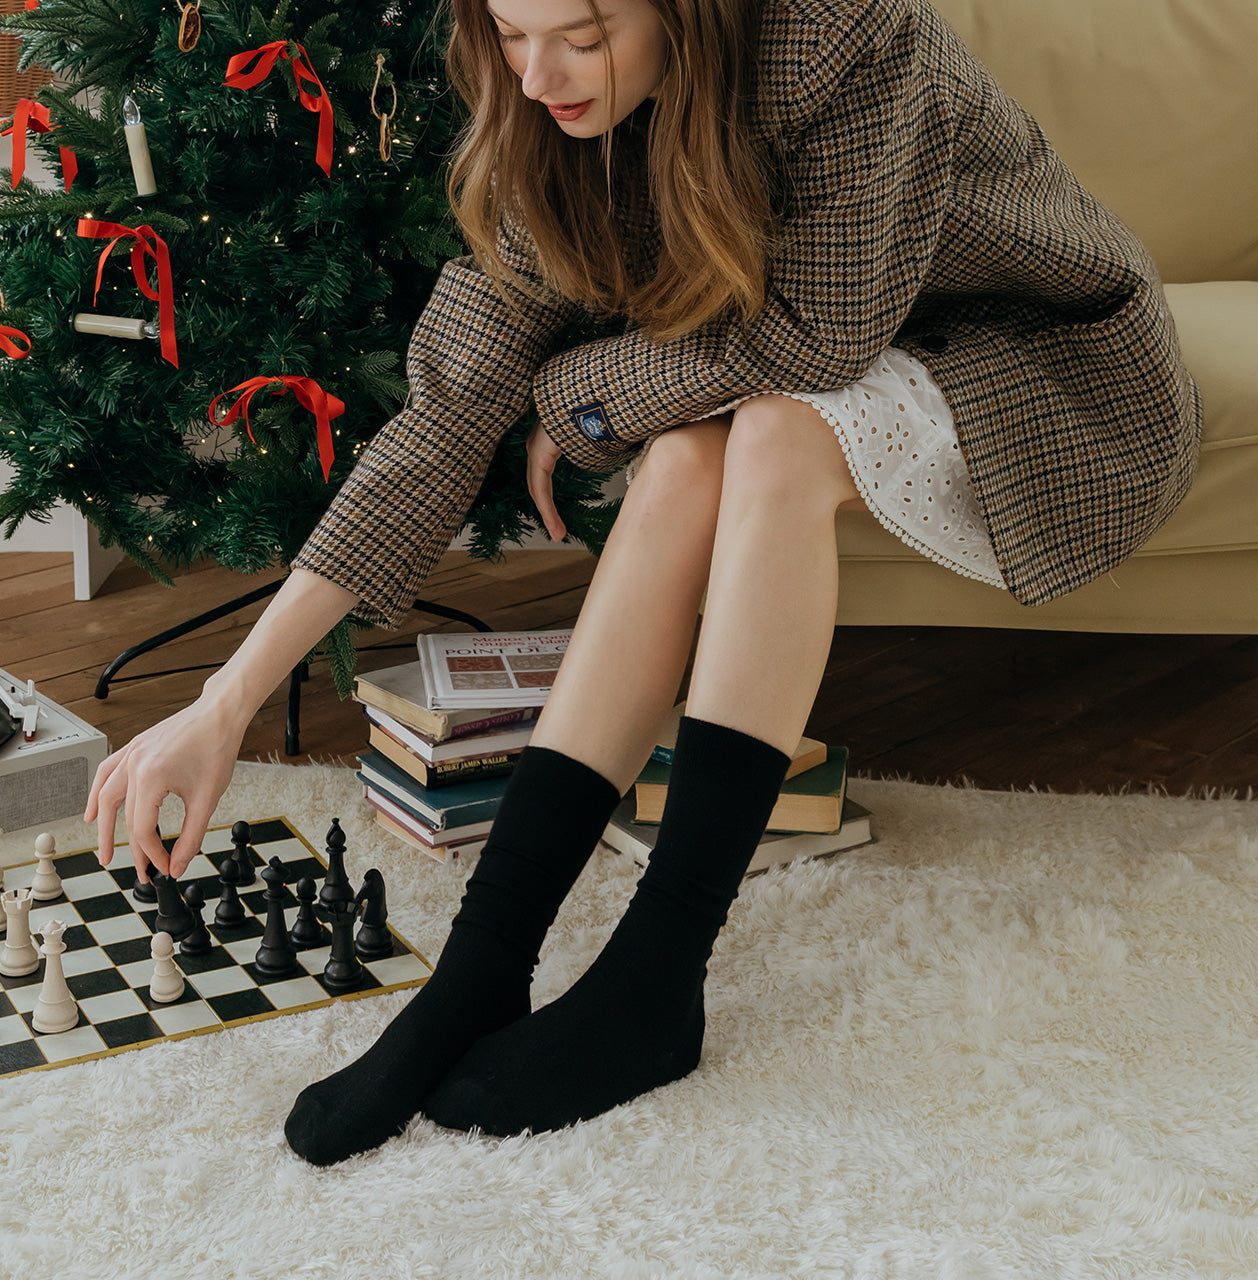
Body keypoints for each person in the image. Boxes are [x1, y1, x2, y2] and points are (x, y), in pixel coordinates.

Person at [86, 0, 1200, 1163]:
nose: (538, 76)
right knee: (681, 458)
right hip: (815, 349)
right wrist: (223, 704)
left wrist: (579, 399)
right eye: (510, 33)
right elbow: (444, 416)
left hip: (1037, 361)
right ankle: (479, 969)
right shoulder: (547, 114)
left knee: (772, 434)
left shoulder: (847, 36)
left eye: (580, 33)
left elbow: (816, 336)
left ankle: (660, 970)